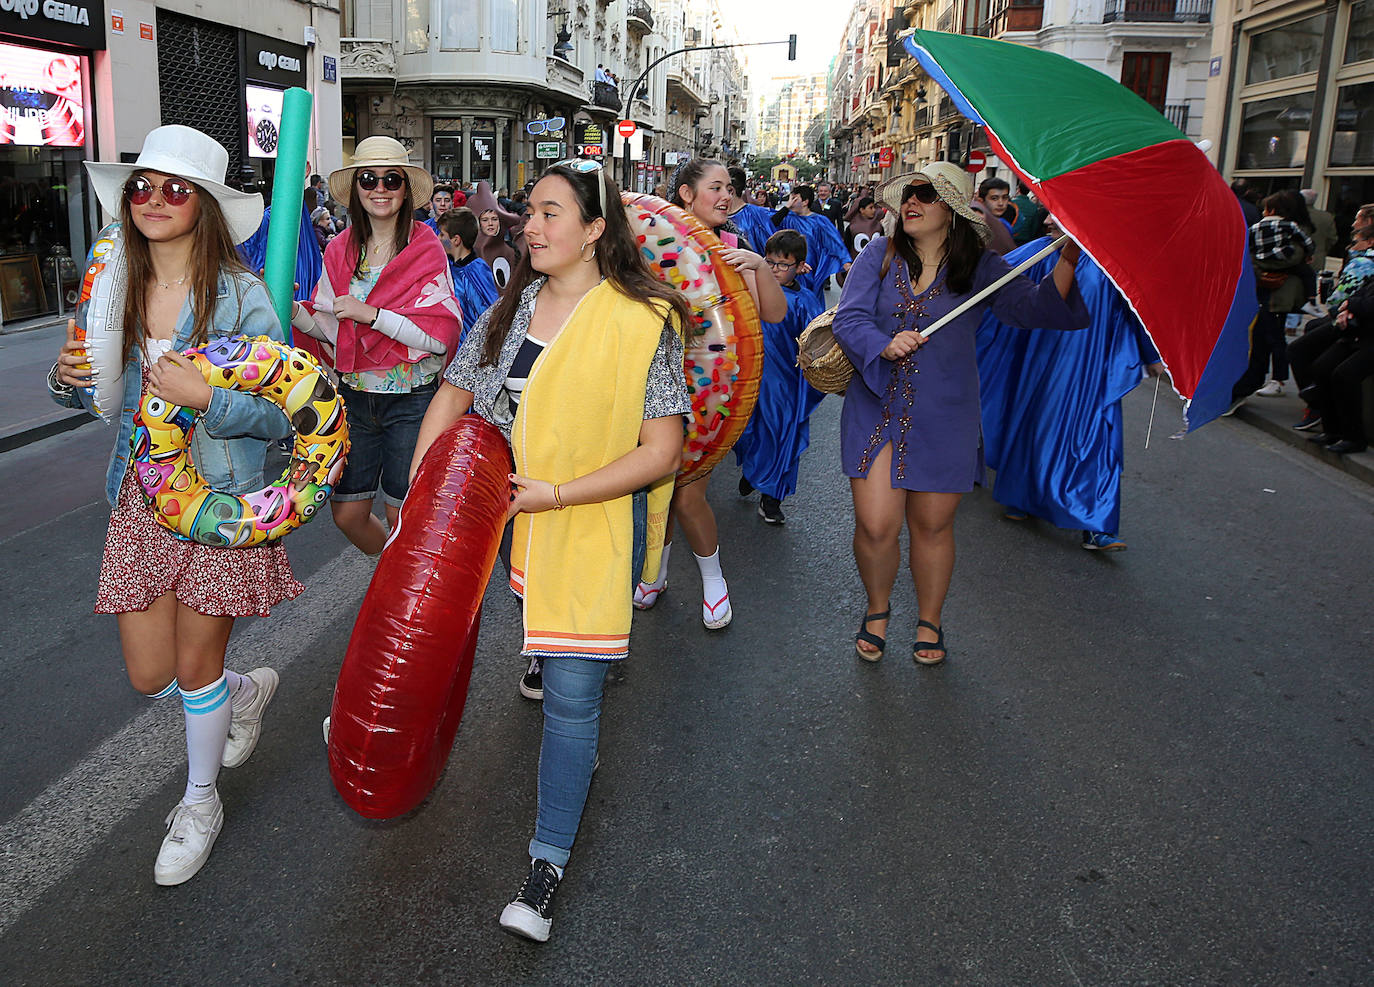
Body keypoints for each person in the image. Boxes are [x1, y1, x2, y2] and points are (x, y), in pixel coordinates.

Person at [412, 159, 694, 942]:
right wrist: (420, 502)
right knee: (548, 667)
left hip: (589, 525)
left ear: (596, 230)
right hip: (515, 528)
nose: (528, 225)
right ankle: (576, 757)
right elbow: (454, 394)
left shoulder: (645, 320)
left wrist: (560, 494)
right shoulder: (511, 307)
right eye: (527, 211)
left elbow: (661, 450)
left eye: (549, 213)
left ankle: (545, 865)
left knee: (571, 697)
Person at [48, 125, 299, 885]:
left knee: (194, 668)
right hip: (140, 496)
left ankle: (199, 801)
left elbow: (285, 416)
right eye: (142, 187)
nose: (154, 199)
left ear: (206, 206)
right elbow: (96, 395)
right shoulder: (114, 288)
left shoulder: (244, 297)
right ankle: (244, 692)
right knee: (149, 674)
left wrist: (209, 397)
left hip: (221, 503)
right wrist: (66, 378)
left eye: (175, 188)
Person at [832, 162, 1086, 664]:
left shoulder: (983, 269)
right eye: (909, 193)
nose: (912, 202)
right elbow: (850, 317)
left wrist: (1069, 258)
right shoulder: (879, 256)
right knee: (878, 524)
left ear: (950, 210)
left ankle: (930, 620)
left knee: (931, 526)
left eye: (927, 195)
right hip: (876, 406)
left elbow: (1035, 310)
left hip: (945, 413)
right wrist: (881, 344)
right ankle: (877, 609)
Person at [290, 136, 463, 556]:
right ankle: (401, 580)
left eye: (392, 180)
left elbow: (436, 338)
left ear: (406, 190)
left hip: (412, 400)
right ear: (356, 189)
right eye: (369, 179)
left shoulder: (425, 249)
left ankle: (401, 605)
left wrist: (371, 315)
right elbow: (335, 333)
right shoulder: (338, 249)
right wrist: (295, 312)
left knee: (402, 515)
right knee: (347, 514)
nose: (380, 189)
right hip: (354, 398)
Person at [634, 157, 787, 629]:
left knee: (685, 491)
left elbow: (775, 315)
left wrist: (759, 266)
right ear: (685, 194)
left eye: (729, 187)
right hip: (652, 385)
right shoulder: (646, 244)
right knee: (657, 488)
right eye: (715, 187)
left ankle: (713, 580)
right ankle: (656, 571)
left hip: (710, 393)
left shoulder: (733, 249)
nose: (726, 195)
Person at [978, 215, 1165, 552]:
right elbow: (991, 291)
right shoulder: (1039, 253)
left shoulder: (1114, 262)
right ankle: (1023, 495)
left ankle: (1097, 522)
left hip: (1092, 364)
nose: (1049, 219)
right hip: (1039, 358)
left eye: (1059, 215)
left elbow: (1137, 307)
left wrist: (1151, 354)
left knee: (1096, 436)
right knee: (1034, 424)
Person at [734, 229, 826, 524]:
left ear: (799, 266)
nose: (775, 269)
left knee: (783, 436)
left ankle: (771, 498)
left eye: (783, 265)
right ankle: (753, 471)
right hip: (750, 377)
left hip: (785, 384)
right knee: (747, 431)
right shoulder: (752, 287)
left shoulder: (805, 300)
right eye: (770, 262)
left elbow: (816, 339)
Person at [1290, 204, 1374, 432]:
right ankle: (1320, 403)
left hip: (1358, 325)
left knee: (1304, 351)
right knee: (1320, 354)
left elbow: (1344, 298)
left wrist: (1345, 307)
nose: (1354, 223)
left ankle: (1317, 404)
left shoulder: (1363, 262)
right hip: (1356, 319)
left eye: (1358, 219)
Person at [770, 184, 851, 302]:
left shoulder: (819, 221)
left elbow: (835, 243)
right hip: (789, 270)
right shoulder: (788, 218)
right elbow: (770, 224)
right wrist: (786, 207)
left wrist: (846, 264)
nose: (791, 201)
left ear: (805, 202)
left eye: (795, 199)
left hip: (811, 271)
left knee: (810, 303)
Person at [438, 206, 500, 343]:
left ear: (456, 240)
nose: (438, 238)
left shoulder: (477, 270)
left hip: (470, 349)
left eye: (442, 234)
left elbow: (490, 312)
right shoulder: (448, 265)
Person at [726, 165, 775, 258]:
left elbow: (773, 247)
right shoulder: (714, 216)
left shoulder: (757, 215)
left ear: (730, 190)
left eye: (718, 188)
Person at [1008, 182, 1046, 246]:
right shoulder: (1033, 207)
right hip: (1026, 241)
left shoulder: (1011, 203)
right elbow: (1034, 227)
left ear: (1018, 189)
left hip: (1011, 238)